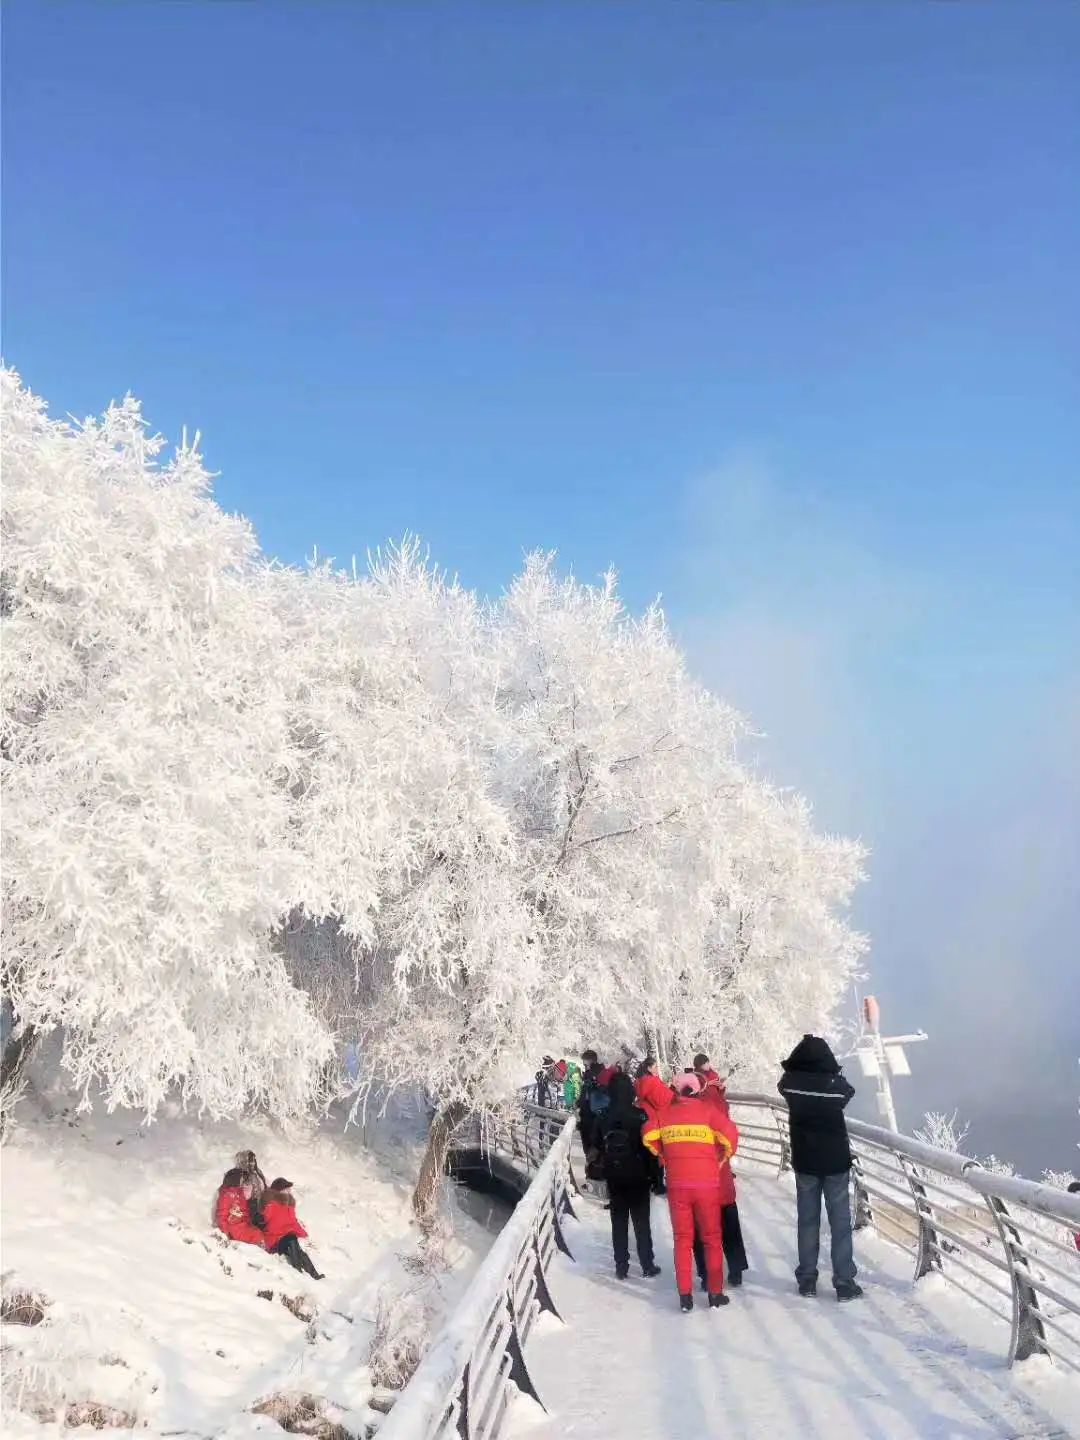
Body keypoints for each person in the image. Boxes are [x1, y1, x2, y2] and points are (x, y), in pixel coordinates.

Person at [643, 1072, 738, 1312]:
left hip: (678, 1186)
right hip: (707, 1185)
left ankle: (685, 1296)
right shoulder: (708, 1112)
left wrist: (664, 1155)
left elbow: (648, 1135)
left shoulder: (665, 1115)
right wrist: (720, 1159)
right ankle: (715, 1293)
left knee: (682, 1240)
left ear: (675, 1091)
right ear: (697, 1091)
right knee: (712, 1239)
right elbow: (731, 1136)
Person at [778, 1034, 862, 1301]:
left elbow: (783, 1083)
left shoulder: (791, 1086)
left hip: (806, 1162)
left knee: (808, 1221)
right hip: (835, 1162)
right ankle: (844, 1283)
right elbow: (849, 1092)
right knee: (840, 1224)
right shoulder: (835, 1086)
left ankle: (807, 1280)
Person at [594, 1072, 661, 1280]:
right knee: (642, 1223)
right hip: (639, 1177)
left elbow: (595, 1146)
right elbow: (652, 1149)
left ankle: (621, 1266)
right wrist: (656, 1179)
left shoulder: (603, 1116)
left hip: (615, 1176)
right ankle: (647, 1264)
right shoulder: (640, 1116)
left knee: (618, 1223)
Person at [691, 1066, 749, 1289]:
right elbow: (731, 1138)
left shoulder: (684, 1112)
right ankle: (736, 1269)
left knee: (702, 1228)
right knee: (729, 1225)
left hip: (697, 1181)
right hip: (720, 1177)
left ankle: (707, 1274)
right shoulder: (718, 1106)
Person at [261, 1178, 324, 1280]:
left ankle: (314, 1275)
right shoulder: (271, 1205)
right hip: (274, 1241)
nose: (289, 1192)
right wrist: (288, 1231)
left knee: (299, 1250)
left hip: (286, 1239)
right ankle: (298, 1271)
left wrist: (304, 1235)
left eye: (289, 1190)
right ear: (278, 1191)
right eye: (286, 1190)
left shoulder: (288, 1205)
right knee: (291, 1239)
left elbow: (293, 1223)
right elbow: (273, 1226)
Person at [215, 1167, 266, 1247]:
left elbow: (245, 1211)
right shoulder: (227, 1195)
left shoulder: (239, 1193)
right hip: (234, 1228)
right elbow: (222, 1215)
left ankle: (263, 1246)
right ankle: (261, 1248)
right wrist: (225, 1232)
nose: (243, 1182)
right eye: (241, 1180)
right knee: (256, 1235)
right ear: (235, 1180)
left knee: (258, 1232)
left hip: (242, 1225)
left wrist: (250, 1222)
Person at [577, 1049, 605, 1154]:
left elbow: (586, 1098)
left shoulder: (592, 1075)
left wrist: (579, 1104)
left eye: (585, 1063)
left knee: (592, 1153)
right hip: (599, 1119)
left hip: (591, 1120)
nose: (584, 1065)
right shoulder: (601, 1073)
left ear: (591, 1062)